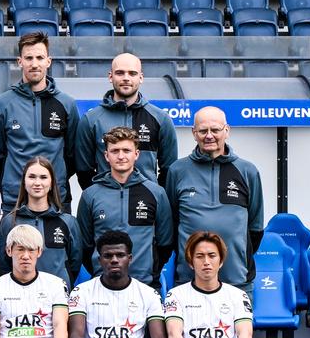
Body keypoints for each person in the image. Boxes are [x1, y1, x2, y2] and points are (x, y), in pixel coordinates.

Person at [163, 107, 264, 288]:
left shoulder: (247, 171)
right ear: (194, 133)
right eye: (203, 131)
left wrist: (235, 254)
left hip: (236, 279)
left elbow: (255, 228)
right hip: (188, 281)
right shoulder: (177, 170)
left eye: (215, 130)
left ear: (227, 131)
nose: (209, 136)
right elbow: (171, 224)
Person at [0, 31, 82, 208]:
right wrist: (13, 184)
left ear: (49, 61)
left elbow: (72, 156)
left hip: (56, 200)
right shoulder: (2, 104)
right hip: (15, 200)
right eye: (29, 58)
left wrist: (54, 180)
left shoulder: (66, 104)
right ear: (19, 61)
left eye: (40, 58)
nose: (34, 64)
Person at [76, 127, 175, 287]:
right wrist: (100, 270)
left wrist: (150, 271)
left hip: (145, 284)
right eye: (115, 151)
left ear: (136, 154)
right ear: (106, 155)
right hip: (102, 285)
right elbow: (84, 246)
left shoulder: (156, 193)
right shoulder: (90, 195)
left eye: (126, 150)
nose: (121, 156)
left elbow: (165, 243)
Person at [74, 52, 178, 186]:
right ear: (110, 76)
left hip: (146, 198)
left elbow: (169, 170)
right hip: (105, 198)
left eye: (132, 73)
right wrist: (99, 194)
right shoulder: (90, 120)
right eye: (120, 73)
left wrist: (154, 194)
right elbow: (83, 170)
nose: (126, 78)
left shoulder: (161, 119)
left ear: (141, 78)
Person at [0, 156, 83, 285]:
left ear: (51, 183)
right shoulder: (10, 222)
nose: (37, 182)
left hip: (56, 294)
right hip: (20, 293)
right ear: (24, 182)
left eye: (43, 177)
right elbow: (3, 265)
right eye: (32, 177)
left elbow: (74, 264)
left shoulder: (68, 222)